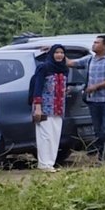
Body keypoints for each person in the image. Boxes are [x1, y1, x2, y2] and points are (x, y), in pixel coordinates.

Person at [69, 35, 105, 165]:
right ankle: (101, 157)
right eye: (94, 42)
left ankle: (94, 147)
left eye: (97, 43)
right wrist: (54, 50)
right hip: (93, 100)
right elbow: (71, 63)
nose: (94, 45)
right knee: (97, 129)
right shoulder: (89, 59)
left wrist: (96, 86)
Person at [27, 44, 69, 173]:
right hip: (44, 106)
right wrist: (38, 107)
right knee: (45, 135)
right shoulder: (44, 68)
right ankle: (44, 164)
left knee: (55, 136)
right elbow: (38, 88)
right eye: (56, 52)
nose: (59, 55)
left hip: (58, 107)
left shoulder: (64, 69)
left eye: (62, 52)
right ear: (51, 54)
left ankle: (50, 163)